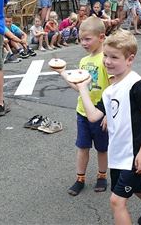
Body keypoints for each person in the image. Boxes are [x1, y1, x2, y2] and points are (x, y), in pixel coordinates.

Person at [75, 29, 141, 225]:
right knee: (136, 188)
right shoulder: (110, 89)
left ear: (129, 59)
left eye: (114, 57)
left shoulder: (137, 85)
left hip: (137, 153)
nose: (107, 61)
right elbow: (95, 115)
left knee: (116, 201)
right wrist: (82, 88)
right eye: (105, 55)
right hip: (119, 153)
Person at [54, 16, 111, 196]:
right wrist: (63, 73)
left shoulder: (106, 60)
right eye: (81, 39)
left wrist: (109, 114)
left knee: (102, 148)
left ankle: (102, 176)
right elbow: (80, 87)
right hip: (82, 112)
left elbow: (114, 88)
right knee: (82, 146)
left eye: (88, 39)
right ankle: (80, 178)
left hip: (101, 113)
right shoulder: (84, 61)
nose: (83, 43)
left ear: (101, 37)